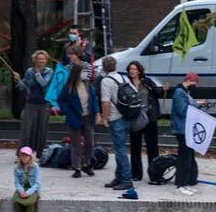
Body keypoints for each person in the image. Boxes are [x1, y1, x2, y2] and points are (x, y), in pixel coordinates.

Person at [60, 47, 98, 179]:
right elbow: (60, 99)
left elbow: (93, 99)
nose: (85, 74)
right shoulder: (69, 86)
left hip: (88, 117)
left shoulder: (88, 85)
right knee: (76, 144)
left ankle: (86, 163)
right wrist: (66, 111)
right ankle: (77, 167)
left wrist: (97, 112)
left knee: (89, 142)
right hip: (75, 118)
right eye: (83, 72)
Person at [97, 57, 133, 191]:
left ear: (104, 67)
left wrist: (105, 118)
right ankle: (119, 177)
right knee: (120, 148)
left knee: (120, 150)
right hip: (126, 116)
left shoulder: (106, 81)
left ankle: (126, 179)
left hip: (115, 117)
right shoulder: (123, 78)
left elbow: (105, 102)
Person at [14, 50, 54, 158]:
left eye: (43, 59)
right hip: (31, 103)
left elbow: (43, 83)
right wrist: (18, 80)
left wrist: (37, 74)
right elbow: (24, 87)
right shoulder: (29, 71)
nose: (41, 61)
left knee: (42, 129)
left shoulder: (49, 71)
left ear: (46, 60)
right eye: (39, 59)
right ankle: (22, 153)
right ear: (35, 60)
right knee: (27, 128)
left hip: (44, 103)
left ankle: (41, 154)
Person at [127, 61, 162, 182]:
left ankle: (154, 173)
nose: (132, 71)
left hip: (149, 117)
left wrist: (163, 90)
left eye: (134, 69)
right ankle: (136, 173)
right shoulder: (127, 83)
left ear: (139, 71)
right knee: (135, 147)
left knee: (152, 147)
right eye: (130, 69)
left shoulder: (147, 82)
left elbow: (156, 92)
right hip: (135, 118)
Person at [170, 72, 203, 195]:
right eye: (194, 83)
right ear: (188, 80)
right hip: (181, 129)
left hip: (186, 128)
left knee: (188, 156)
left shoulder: (185, 92)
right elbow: (182, 110)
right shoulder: (179, 92)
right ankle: (180, 185)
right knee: (184, 157)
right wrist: (197, 104)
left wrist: (196, 105)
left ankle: (186, 182)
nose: (195, 86)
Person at [13, 146, 41, 212]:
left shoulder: (35, 167)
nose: (24, 158)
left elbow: (37, 183)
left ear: (30, 157)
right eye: (22, 156)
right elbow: (17, 183)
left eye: (26, 156)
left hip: (32, 189)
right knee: (17, 202)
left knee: (31, 204)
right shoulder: (17, 168)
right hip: (22, 189)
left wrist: (28, 193)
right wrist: (21, 191)